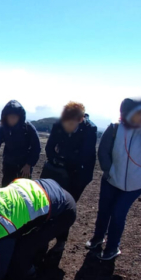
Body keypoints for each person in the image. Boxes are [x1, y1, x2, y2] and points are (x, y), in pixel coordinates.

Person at [87, 97, 141, 260]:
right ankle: (98, 238)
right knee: (104, 210)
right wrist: (108, 170)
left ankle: (112, 247)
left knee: (117, 213)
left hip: (136, 183)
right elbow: (103, 151)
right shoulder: (115, 127)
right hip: (111, 179)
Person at [41, 101, 98, 253]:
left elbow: (85, 156)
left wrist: (64, 160)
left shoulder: (89, 129)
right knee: (49, 201)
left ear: (80, 120)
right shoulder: (59, 124)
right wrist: (56, 161)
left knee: (66, 206)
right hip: (59, 170)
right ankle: (42, 238)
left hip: (79, 174)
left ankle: (61, 241)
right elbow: (49, 147)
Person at [0, 100, 41, 187]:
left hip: (24, 167)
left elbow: (36, 148)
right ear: (5, 117)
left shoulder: (28, 128)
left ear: (20, 117)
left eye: (14, 116)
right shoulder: (3, 129)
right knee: (6, 190)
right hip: (9, 166)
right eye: (10, 117)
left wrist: (29, 164)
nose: (12, 119)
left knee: (24, 192)